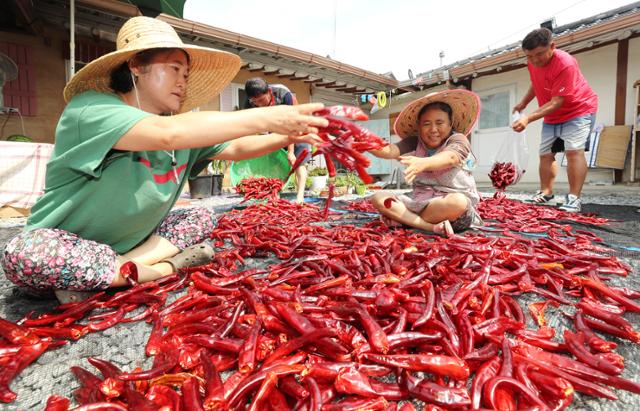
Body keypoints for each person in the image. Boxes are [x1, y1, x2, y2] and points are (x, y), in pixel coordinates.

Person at [0, 16, 327, 303]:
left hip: (131, 247)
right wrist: (269, 117)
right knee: (24, 253)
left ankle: (121, 271)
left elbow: (236, 148)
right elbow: (165, 133)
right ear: (136, 66)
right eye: (173, 68)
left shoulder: (183, 131)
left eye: (185, 72)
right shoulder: (91, 109)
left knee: (201, 215)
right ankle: (157, 271)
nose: (182, 80)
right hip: (66, 248)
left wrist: (288, 137)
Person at [369, 89, 483, 236]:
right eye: (426, 124)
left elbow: (451, 158)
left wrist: (423, 163)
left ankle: (405, 219)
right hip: (420, 200)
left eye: (440, 122)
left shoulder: (458, 139)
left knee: (458, 202)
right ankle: (430, 227)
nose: (433, 129)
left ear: (450, 124)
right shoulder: (415, 142)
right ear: (419, 127)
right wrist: (364, 142)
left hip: (449, 204)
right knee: (379, 198)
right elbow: (390, 151)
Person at [512, 27, 598, 212]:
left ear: (552, 46)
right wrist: (523, 103)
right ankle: (546, 192)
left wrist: (528, 118)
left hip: (578, 110)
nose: (535, 60)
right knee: (546, 154)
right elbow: (536, 84)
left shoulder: (566, 64)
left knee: (573, 152)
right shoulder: (533, 63)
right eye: (529, 56)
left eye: (539, 54)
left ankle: (574, 198)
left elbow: (557, 102)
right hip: (551, 115)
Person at [244, 78, 310, 203]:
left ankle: (300, 198)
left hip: (297, 128)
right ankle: (275, 195)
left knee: (298, 162)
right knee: (275, 162)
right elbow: (247, 126)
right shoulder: (249, 102)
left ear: (269, 92)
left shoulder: (284, 94)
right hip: (276, 130)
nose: (259, 104)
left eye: (262, 100)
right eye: (255, 102)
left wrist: (290, 152)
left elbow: (292, 124)